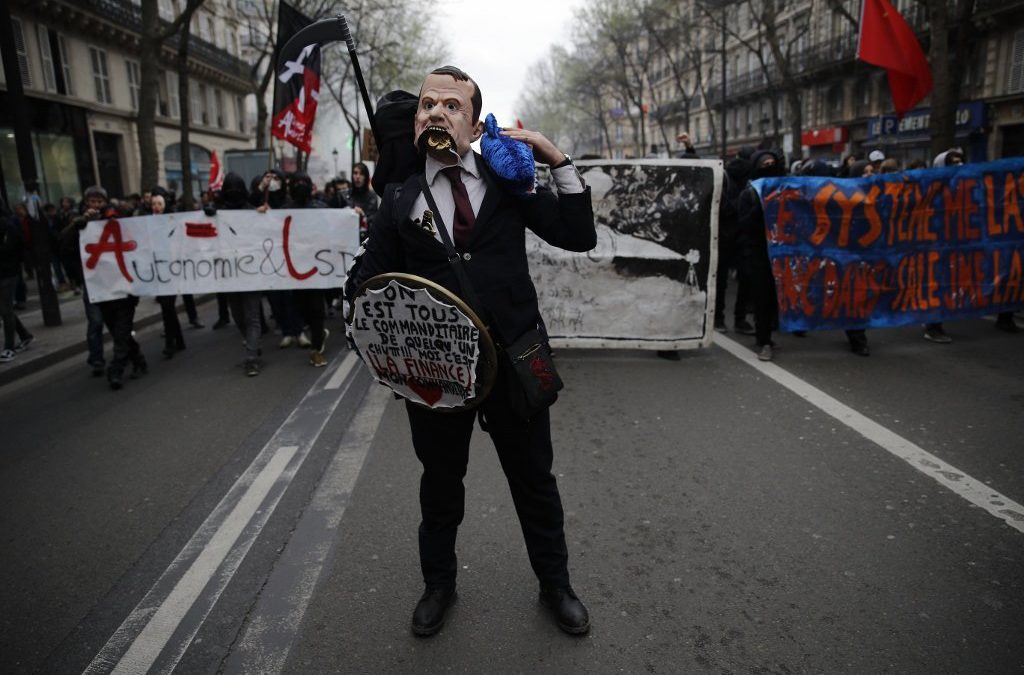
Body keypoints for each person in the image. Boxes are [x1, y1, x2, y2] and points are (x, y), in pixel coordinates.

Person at [348, 65, 595, 637]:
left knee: (534, 482)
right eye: (426, 105)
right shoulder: (397, 197)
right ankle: (439, 585)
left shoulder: (507, 177)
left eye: (451, 106)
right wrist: (359, 304)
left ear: (474, 122)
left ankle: (556, 585)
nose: (436, 112)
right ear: (414, 122)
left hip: (514, 360)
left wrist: (554, 161)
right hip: (437, 368)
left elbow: (577, 236)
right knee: (440, 484)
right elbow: (373, 281)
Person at [71, 186, 147, 389]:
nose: (95, 205)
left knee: (121, 331)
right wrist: (77, 226)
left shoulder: (117, 217)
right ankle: (138, 360)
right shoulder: (80, 223)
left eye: (99, 201)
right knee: (117, 331)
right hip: (101, 288)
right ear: (86, 203)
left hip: (124, 287)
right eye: (92, 201)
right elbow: (64, 248)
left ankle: (116, 370)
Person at [737, 149, 785, 361]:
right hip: (758, 251)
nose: (770, 167)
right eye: (765, 164)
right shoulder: (749, 193)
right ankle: (764, 340)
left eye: (772, 163)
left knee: (775, 296)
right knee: (762, 297)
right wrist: (760, 208)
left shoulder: (785, 189)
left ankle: (766, 334)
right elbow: (743, 224)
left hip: (782, 250)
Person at [216, 173, 264, 376]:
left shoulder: (251, 212)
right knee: (238, 315)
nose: (233, 192)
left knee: (252, 316)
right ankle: (251, 343)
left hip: (249, 273)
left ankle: (251, 357)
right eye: (230, 188)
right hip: (230, 275)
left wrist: (263, 216)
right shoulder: (218, 214)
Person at [0, 217, 34, 362]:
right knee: (4, 309)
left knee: (5, 310)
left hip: (7, 273)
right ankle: (25, 336)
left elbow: (13, 248)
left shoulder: (8, 227)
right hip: (5, 272)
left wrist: (15, 266)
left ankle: (9, 348)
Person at [347, 162, 379, 243]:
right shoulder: (346, 195)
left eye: (361, 174)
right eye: (355, 173)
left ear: (366, 177)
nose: (357, 176)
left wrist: (363, 215)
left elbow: (373, 222)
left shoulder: (372, 196)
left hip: (365, 240)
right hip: (348, 236)